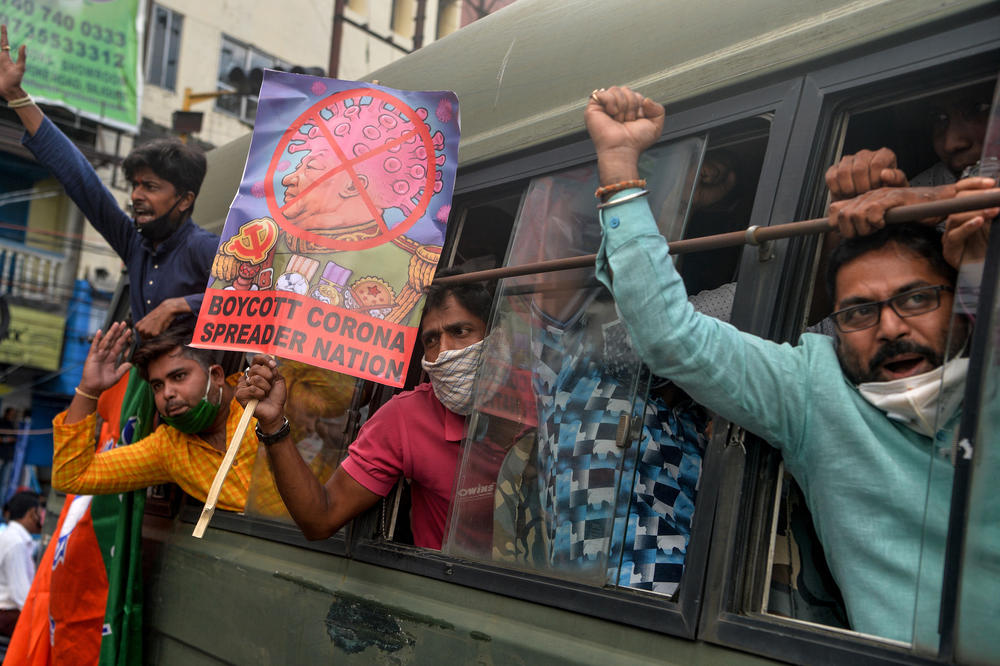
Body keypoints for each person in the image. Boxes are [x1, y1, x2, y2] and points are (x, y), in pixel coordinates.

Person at [582, 85, 996, 643]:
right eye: (858, 312)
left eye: (918, 299)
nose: (891, 328)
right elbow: (667, 334)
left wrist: (930, 207)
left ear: (961, 299)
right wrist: (619, 164)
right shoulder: (812, 389)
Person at [238, 277, 494, 550]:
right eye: (431, 340)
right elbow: (321, 519)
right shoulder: (406, 417)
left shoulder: (540, 398)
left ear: (496, 334)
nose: (444, 352)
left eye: (460, 331)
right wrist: (274, 424)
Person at [0, 25, 218, 338]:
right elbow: (81, 180)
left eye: (151, 187)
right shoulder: (135, 244)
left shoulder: (203, 247)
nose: (137, 195)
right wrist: (16, 96)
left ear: (184, 199)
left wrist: (177, 305)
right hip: (144, 381)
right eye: (136, 185)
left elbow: (251, 296)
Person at [50, 322, 257, 510]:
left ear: (216, 376)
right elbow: (71, 477)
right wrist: (89, 389)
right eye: (157, 386)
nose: (167, 393)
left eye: (179, 376)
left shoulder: (265, 402)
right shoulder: (169, 448)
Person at [825, 82, 992, 201]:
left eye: (978, 109)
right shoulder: (925, 186)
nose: (951, 143)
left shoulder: (926, 196)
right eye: (939, 118)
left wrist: (939, 200)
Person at [0, 490, 42, 636]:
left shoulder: (9, 536)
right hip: (7, 616)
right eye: (40, 512)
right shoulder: (16, 543)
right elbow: (21, 596)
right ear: (32, 513)